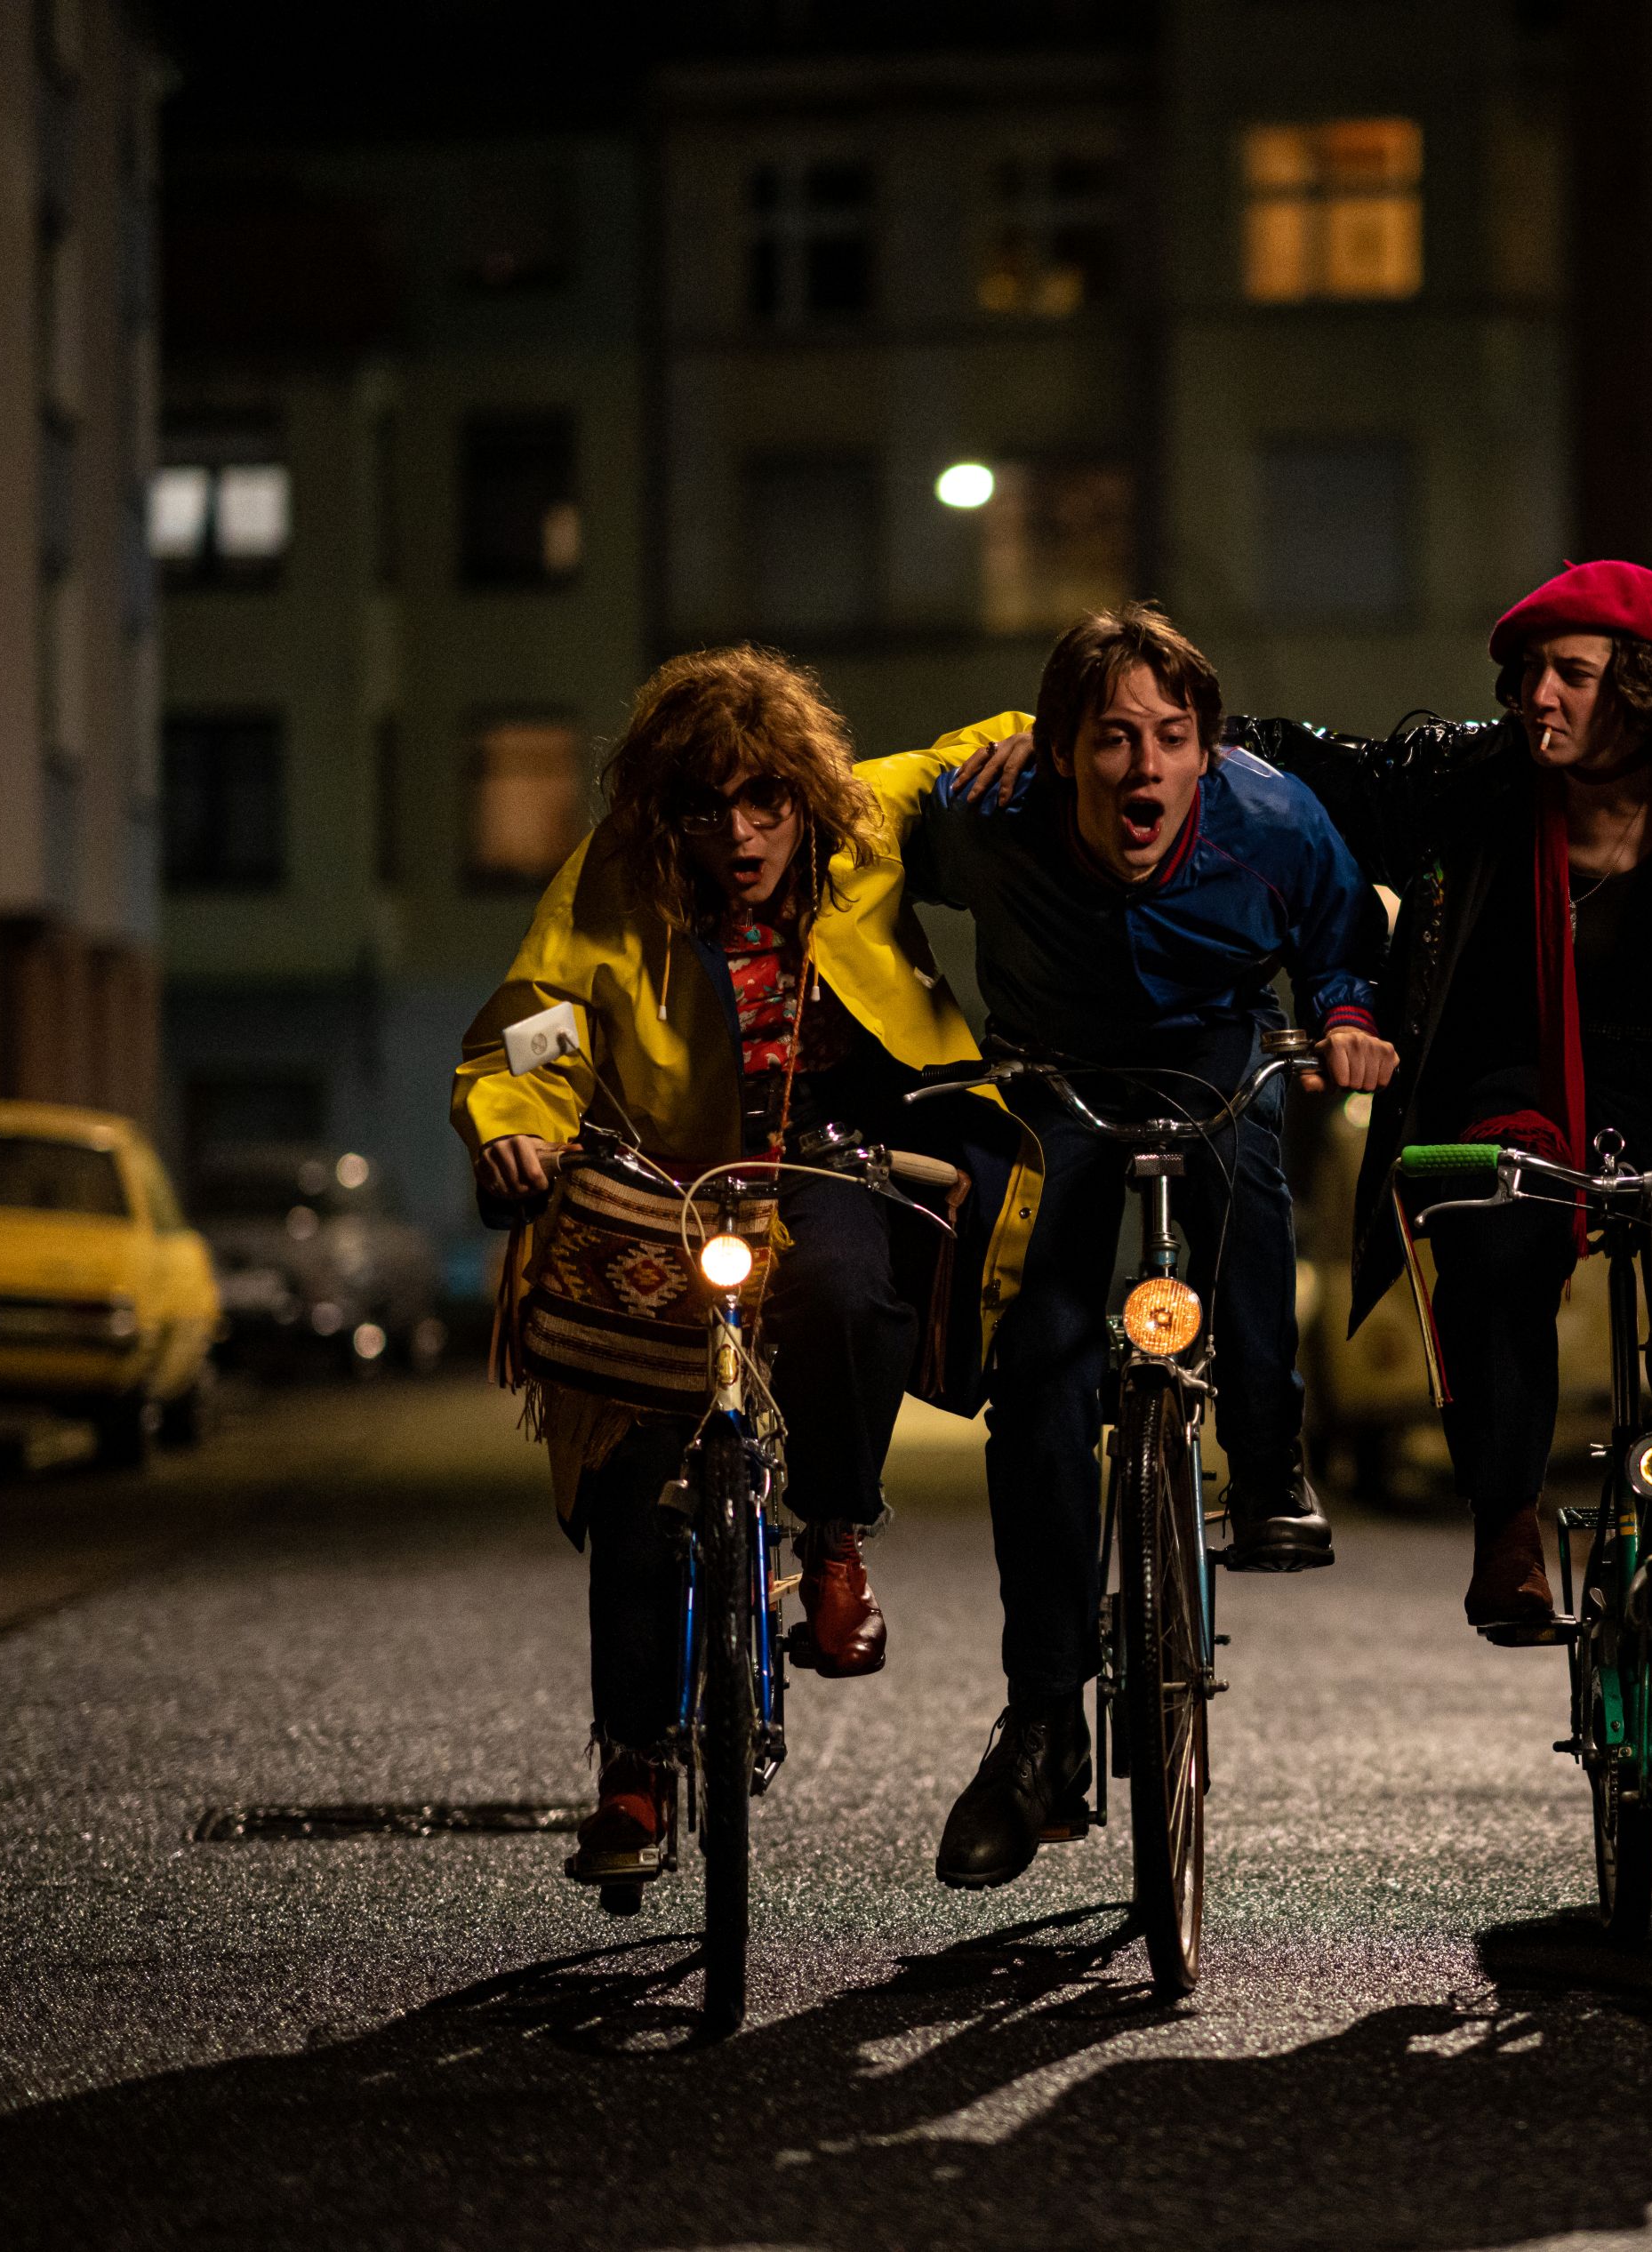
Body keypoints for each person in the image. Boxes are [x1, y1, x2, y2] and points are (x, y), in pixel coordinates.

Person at [1198, 559, 1652, 1911]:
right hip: (1520, 1086)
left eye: (1570, 674)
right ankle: (1508, 1518)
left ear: (1642, 689)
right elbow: (1314, 763)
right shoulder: (1476, 776)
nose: (1537, 695)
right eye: (1527, 672)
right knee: (1494, 1239)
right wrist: (1158, 723)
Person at [453, 647, 1036, 1890]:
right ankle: (632, 1767)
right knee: (634, 1460)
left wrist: (1035, 736)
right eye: (707, 806)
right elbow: (540, 1020)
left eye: (765, 800)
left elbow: (971, 748)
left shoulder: (855, 825)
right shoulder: (614, 874)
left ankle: (835, 1538)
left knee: (846, 1293)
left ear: (802, 792)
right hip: (676, 1174)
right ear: (663, 808)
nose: (742, 833)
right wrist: (515, 1122)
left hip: (839, 1149)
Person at [907, 603, 1397, 1891]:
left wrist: (1347, 1017)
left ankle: (1273, 1462)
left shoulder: (1271, 817)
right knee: (1043, 1370)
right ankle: (1042, 1730)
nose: (1145, 766)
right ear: (1064, 748)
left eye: (1172, 737)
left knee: (1249, 1203)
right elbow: (860, 860)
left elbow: (1344, 937)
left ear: (1205, 748)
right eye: (1113, 738)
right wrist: (905, 1034)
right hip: (1052, 1069)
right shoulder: (990, 816)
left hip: (1212, 1051)